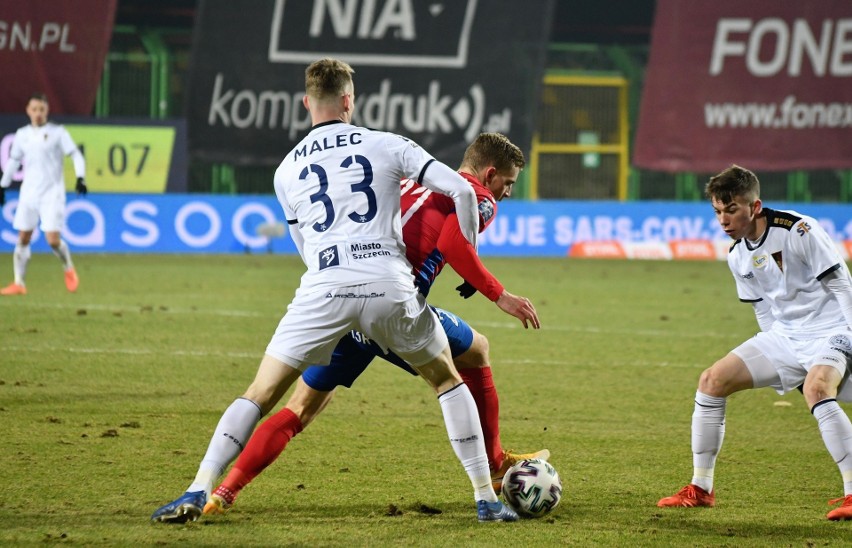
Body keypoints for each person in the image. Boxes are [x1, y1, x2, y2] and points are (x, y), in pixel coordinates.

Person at [151, 58, 519, 524]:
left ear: (306, 103)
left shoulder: (285, 170)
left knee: (263, 395)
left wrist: (334, 280)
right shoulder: (386, 144)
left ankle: (200, 488)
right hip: (389, 285)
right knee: (448, 379)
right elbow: (463, 195)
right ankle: (486, 497)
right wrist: (475, 270)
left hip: (324, 286)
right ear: (350, 100)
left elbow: (303, 244)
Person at [201, 133, 546, 516]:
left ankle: (224, 491)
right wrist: (500, 294)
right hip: (395, 307)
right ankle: (494, 467)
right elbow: (452, 244)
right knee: (473, 353)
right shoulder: (476, 196)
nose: (507, 193)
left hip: (344, 302)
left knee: (300, 407)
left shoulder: (406, 180)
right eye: (508, 184)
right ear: (490, 173)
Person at [657, 165, 852, 521]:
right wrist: (778, 356)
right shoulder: (737, 254)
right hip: (786, 336)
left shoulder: (798, 230)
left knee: (818, 388)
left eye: (731, 210)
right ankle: (701, 488)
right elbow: (763, 309)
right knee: (711, 382)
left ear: (755, 206)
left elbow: (842, 285)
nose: (723, 219)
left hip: (833, 327)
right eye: (718, 211)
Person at [0, 92, 87, 295]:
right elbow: (13, 161)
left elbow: (75, 155)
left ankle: (68, 268)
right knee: (23, 237)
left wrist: (80, 177)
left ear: (47, 111)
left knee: (53, 240)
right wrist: (3, 185)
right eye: (34, 109)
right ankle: (19, 283)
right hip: (29, 193)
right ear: (28, 111)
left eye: (42, 109)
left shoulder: (58, 133)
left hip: (52, 193)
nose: (38, 113)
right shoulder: (22, 134)